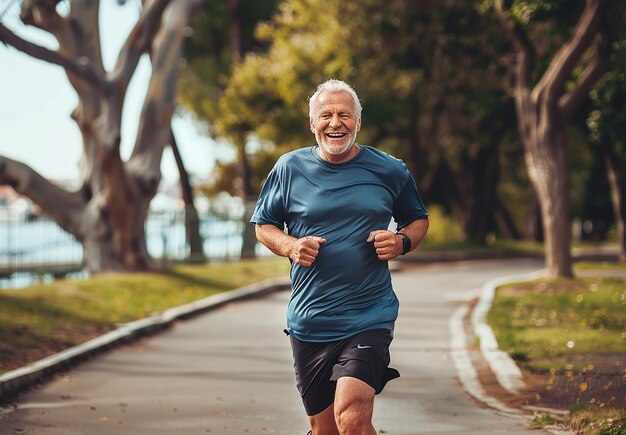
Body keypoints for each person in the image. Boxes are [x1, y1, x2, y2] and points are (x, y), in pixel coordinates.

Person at [250, 79, 429, 435]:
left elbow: (417, 219)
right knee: (325, 430)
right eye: (326, 114)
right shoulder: (289, 168)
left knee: (352, 418)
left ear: (357, 123)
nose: (335, 122)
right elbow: (264, 225)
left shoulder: (390, 170)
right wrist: (289, 246)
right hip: (311, 319)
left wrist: (401, 242)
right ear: (312, 123)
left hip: (369, 315)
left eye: (344, 114)